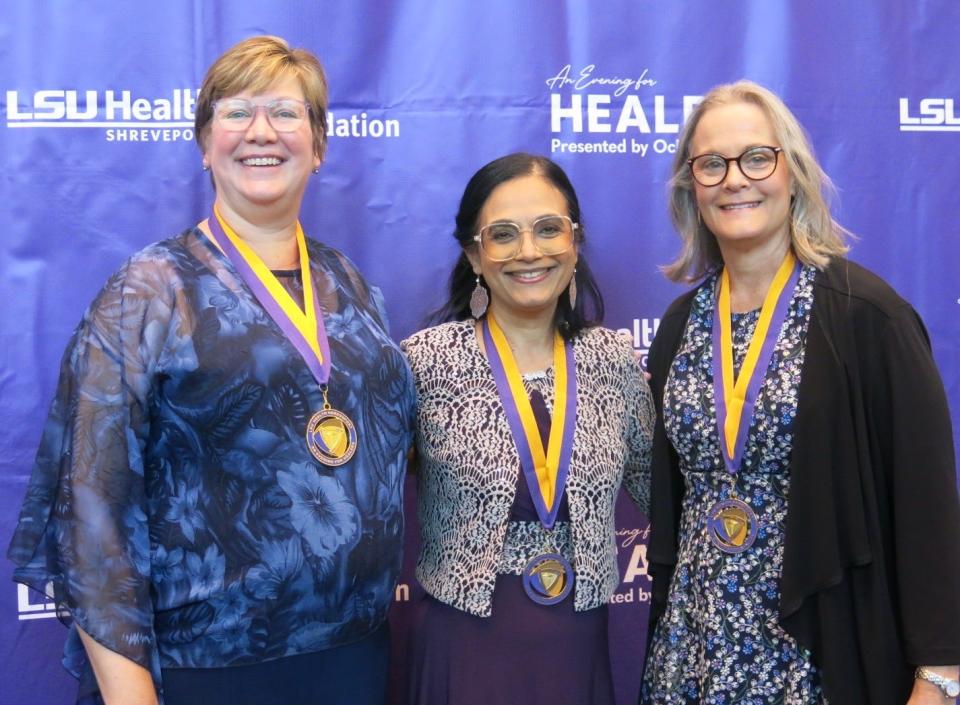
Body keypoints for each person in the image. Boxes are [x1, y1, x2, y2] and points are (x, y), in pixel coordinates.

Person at [7, 36, 414, 705]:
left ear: (319, 145)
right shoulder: (150, 290)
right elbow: (92, 512)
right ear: (204, 143)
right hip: (211, 672)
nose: (261, 131)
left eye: (286, 112)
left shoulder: (350, 285)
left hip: (355, 658)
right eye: (236, 111)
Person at [640, 80, 960, 705]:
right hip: (694, 652)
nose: (736, 179)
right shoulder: (680, 324)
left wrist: (941, 673)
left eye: (757, 157)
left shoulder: (867, 316)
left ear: (794, 171)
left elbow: (926, 506)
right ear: (691, 187)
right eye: (711, 164)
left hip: (821, 652)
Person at [400, 152, 654, 705]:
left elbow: (667, 494)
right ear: (474, 254)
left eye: (548, 229)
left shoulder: (614, 361)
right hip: (465, 650)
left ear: (575, 241)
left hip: (576, 649)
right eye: (503, 235)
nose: (529, 251)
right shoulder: (425, 362)